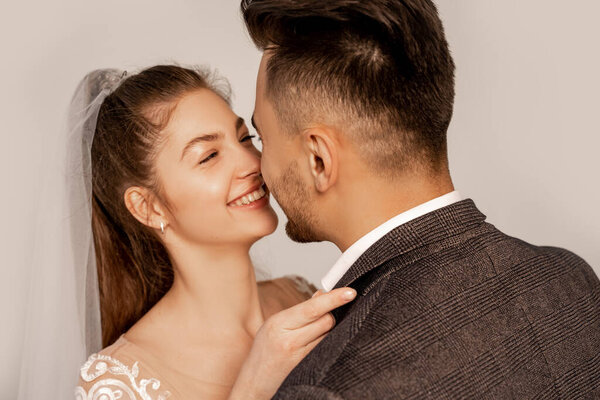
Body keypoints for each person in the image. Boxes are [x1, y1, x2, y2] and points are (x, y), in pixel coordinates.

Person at [241, 0, 600, 398]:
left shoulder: (325, 385)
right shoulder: (571, 277)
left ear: (319, 159)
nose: (258, 165)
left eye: (263, 138)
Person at [71, 66, 357, 399]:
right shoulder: (118, 381)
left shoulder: (299, 297)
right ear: (148, 207)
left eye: (245, 138)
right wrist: (254, 386)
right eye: (209, 156)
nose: (253, 163)